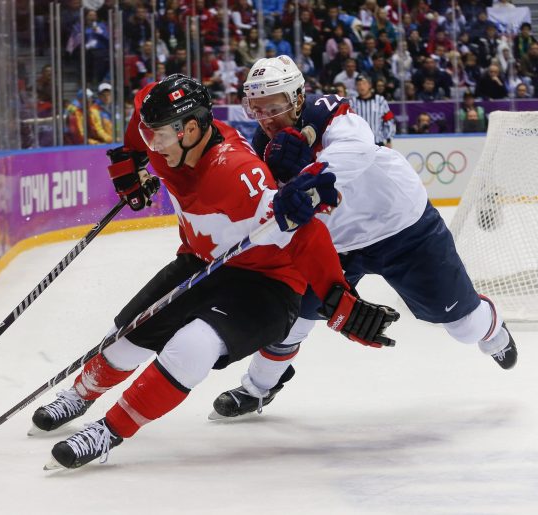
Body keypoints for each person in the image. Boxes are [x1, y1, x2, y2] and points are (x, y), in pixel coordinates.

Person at [31, 74, 399, 469]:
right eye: (150, 137)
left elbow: (304, 234)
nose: (154, 146)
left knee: (193, 346)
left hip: (268, 285)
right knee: (124, 336)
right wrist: (131, 157)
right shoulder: (161, 133)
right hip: (202, 262)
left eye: (159, 138)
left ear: (190, 129)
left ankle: (109, 431)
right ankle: (80, 394)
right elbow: (141, 116)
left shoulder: (238, 175)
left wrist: (336, 299)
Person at [210, 56, 518, 420]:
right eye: (256, 108)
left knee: (464, 327)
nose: (266, 117)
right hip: (333, 245)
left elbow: (357, 149)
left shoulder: (333, 117)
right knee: (292, 319)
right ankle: (259, 387)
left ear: (296, 98)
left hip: (403, 228)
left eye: (274, 106)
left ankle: (492, 329)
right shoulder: (262, 149)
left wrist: (308, 176)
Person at [350, 74, 395, 147]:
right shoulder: (352, 102)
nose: (361, 87)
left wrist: (389, 140)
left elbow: (389, 120)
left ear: (370, 85)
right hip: (359, 144)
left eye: (364, 83)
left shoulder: (380, 100)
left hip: (377, 142)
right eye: (359, 84)